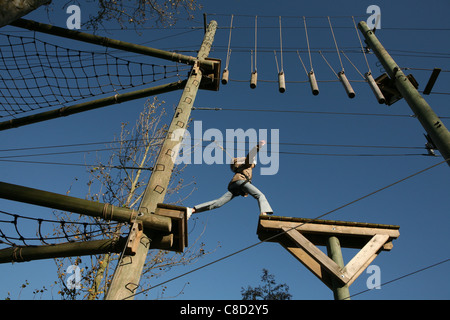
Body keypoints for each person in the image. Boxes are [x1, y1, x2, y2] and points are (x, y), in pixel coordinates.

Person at [186, 140, 273, 219]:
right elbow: (250, 155)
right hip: (241, 182)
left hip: (235, 185)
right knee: (260, 195)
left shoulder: (239, 167)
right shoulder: (247, 165)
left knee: (218, 203)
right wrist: (259, 146)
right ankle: (264, 214)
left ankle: (192, 210)